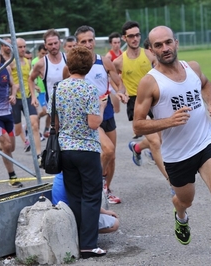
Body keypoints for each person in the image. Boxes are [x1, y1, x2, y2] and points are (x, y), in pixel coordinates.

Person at [133, 25, 211, 266]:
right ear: (151, 50)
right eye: (158, 45)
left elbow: (206, 85)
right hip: (177, 155)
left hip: (206, 143)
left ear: (176, 42)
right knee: (185, 200)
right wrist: (168, 121)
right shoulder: (150, 82)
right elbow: (138, 125)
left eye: (168, 42)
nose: (165, 48)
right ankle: (180, 215)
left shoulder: (192, 68)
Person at [48, 46, 107, 258]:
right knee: (91, 195)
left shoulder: (58, 88)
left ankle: (75, 239)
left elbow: (54, 122)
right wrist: (100, 109)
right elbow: (93, 124)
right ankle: (89, 244)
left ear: (68, 64)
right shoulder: (89, 89)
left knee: (74, 195)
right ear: (89, 66)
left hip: (65, 148)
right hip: (87, 148)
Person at [70, 25, 128, 205]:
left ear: (95, 41)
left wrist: (120, 92)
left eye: (90, 40)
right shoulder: (72, 65)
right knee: (107, 150)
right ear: (77, 44)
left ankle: (106, 188)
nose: (88, 44)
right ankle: (97, 184)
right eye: (83, 41)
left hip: (107, 109)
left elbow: (119, 84)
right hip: (89, 115)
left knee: (112, 155)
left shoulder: (104, 62)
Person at [113, 21, 168, 180]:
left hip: (154, 98)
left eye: (137, 35)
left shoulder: (150, 54)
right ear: (124, 38)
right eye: (131, 36)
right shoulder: (119, 62)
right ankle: (172, 182)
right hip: (136, 102)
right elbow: (120, 83)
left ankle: (137, 147)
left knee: (161, 138)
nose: (135, 38)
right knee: (156, 143)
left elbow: (161, 73)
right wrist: (120, 92)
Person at [29, 29, 68, 142]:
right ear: (45, 45)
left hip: (70, 102)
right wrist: (33, 96)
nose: (53, 46)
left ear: (60, 42)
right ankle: (54, 156)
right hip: (53, 104)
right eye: (50, 44)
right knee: (57, 132)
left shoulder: (68, 59)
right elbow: (31, 79)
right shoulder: (41, 63)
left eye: (55, 43)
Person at [51, 172, 119, 234]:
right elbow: (86, 203)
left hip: (60, 215)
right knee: (115, 223)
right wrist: (105, 212)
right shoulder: (73, 180)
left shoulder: (59, 176)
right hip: (72, 218)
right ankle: (81, 234)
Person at [10, 38, 42, 161]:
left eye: (24, 46)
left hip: (28, 96)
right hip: (16, 99)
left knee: (34, 124)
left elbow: (30, 79)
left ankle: (39, 155)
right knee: (17, 130)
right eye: (20, 47)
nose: (23, 49)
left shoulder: (28, 63)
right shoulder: (11, 63)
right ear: (14, 47)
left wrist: (35, 90)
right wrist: (12, 88)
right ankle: (26, 140)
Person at [0, 59, 20, 187]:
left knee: (10, 148)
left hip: (7, 113)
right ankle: (12, 176)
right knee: (6, 145)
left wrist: (13, 95)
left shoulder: (5, 68)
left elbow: (14, 85)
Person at [30, 44, 49, 139]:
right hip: (40, 91)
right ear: (38, 52)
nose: (44, 55)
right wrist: (36, 85)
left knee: (51, 112)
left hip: (48, 90)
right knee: (46, 110)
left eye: (46, 53)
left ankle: (46, 129)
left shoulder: (49, 60)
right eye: (42, 53)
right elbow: (31, 77)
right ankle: (36, 121)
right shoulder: (35, 62)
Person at [104, 32, 122, 114]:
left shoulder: (122, 53)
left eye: (118, 42)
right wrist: (116, 88)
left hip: (121, 81)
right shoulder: (109, 56)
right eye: (115, 43)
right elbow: (108, 75)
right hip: (112, 84)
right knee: (116, 109)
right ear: (111, 43)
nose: (117, 45)